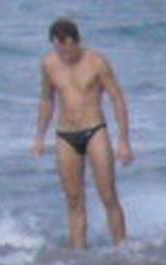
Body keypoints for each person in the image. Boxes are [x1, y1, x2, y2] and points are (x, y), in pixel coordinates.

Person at [32, 17, 132, 249]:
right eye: (59, 50)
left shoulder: (97, 62)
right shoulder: (48, 64)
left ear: (77, 41)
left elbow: (117, 99)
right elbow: (47, 99)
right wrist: (39, 138)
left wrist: (124, 141)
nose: (65, 55)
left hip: (95, 130)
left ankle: (122, 249)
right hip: (65, 134)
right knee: (74, 199)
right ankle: (79, 256)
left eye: (68, 49)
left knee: (108, 194)